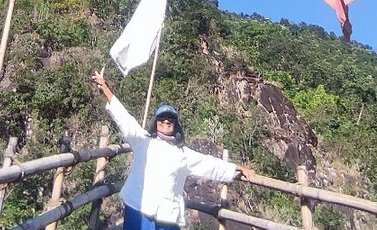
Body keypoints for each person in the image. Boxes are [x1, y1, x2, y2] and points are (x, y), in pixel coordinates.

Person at [91, 69, 255, 230]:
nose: (165, 122)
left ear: (176, 124)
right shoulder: (142, 141)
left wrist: (238, 169)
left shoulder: (183, 154)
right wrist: (105, 87)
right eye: (162, 119)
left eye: (170, 120)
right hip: (137, 208)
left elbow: (210, 165)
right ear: (156, 122)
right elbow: (123, 117)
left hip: (167, 216)